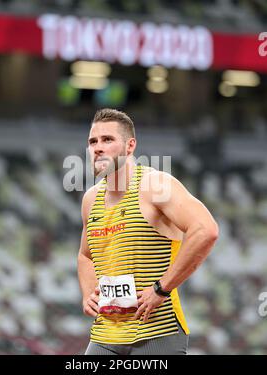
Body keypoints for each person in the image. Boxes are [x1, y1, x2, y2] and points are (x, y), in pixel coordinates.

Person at [77, 108, 219, 355]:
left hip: (156, 332)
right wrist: (88, 292)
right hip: (106, 333)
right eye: (93, 141)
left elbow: (205, 230)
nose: (98, 147)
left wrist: (161, 288)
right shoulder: (91, 199)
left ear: (130, 146)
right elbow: (85, 255)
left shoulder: (155, 186)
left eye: (107, 140)